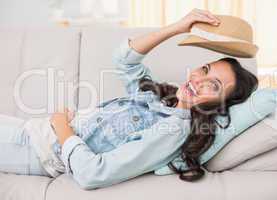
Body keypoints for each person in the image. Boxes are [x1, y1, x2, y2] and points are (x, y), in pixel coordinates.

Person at [0, 9, 258, 189]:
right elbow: (124, 59)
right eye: (204, 69)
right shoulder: (161, 99)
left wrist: (62, 127)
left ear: (220, 105)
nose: (198, 80)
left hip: (36, 149)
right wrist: (178, 27)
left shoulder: (172, 131)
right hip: (32, 130)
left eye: (213, 85)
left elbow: (93, 174)